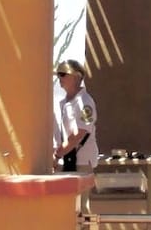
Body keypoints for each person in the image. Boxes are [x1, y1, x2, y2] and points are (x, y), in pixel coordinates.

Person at [54, 59, 98, 211]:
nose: (60, 78)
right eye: (58, 75)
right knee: (65, 207)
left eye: (63, 74)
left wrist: (58, 154)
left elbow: (79, 133)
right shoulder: (63, 102)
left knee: (79, 209)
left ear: (77, 77)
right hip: (66, 160)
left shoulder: (85, 102)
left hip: (81, 161)